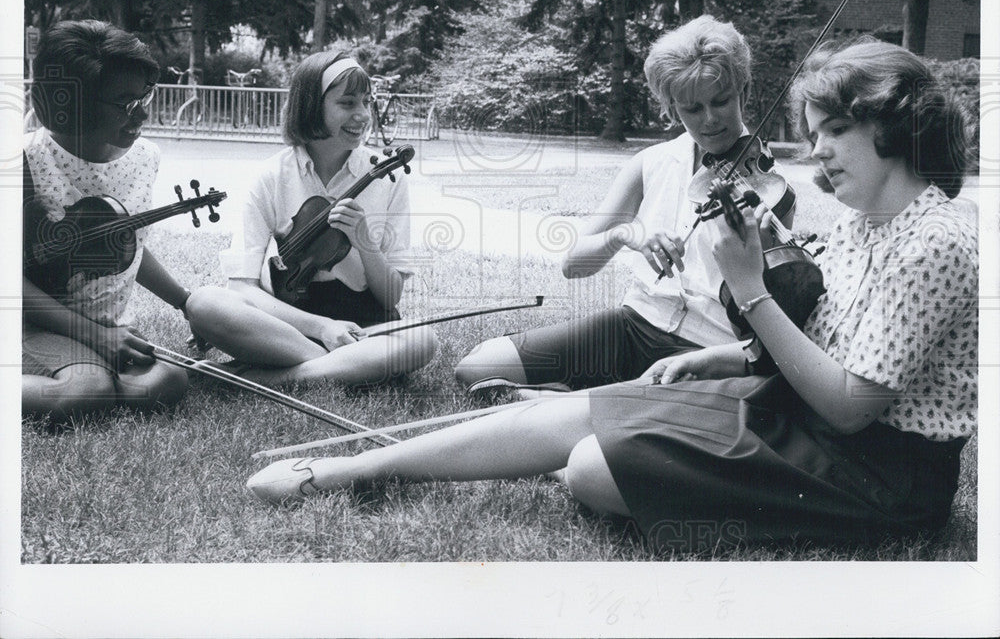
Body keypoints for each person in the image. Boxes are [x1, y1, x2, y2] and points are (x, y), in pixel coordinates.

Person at [248, 39, 976, 553]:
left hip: (879, 472)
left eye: (835, 132)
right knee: (579, 414)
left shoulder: (934, 240)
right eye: (815, 134)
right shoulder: (866, 223)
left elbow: (851, 410)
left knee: (591, 469)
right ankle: (347, 471)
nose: (816, 153)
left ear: (893, 120)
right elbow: (823, 339)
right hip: (774, 393)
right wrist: (724, 355)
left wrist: (749, 289)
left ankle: (612, 440)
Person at [455, 15, 793, 395]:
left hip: (706, 349)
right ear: (671, 108)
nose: (710, 120)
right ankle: (575, 400)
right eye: (692, 109)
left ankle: (566, 402)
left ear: (743, 94)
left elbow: (769, 321)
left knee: (624, 410)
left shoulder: (769, 188)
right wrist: (625, 234)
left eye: (721, 101)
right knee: (476, 367)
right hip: (635, 322)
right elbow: (573, 264)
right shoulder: (650, 164)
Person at [185, 51, 436, 386]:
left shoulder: (388, 176)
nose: (362, 115)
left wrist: (365, 242)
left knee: (422, 341)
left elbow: (390, 297)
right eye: (347, 103)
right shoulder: (271, 176)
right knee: (203, 303)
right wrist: (321, 327)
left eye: (366, 102)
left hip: (363, 323)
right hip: (287, 323)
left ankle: (268, 379)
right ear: (311, 105)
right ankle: (343, 368)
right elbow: (242, 287)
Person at [22, 20, 190, 421]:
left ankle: (92, 372)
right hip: (32, 326)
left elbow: (120, 246)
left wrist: (185, 302)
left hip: (108, 325)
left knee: (165, 383)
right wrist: (94, 336)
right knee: (85, 393)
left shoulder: (145, 157)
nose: (144, 113)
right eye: (126, 103)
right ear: (71, 102)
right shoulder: (23, 162)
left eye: (146, 96)